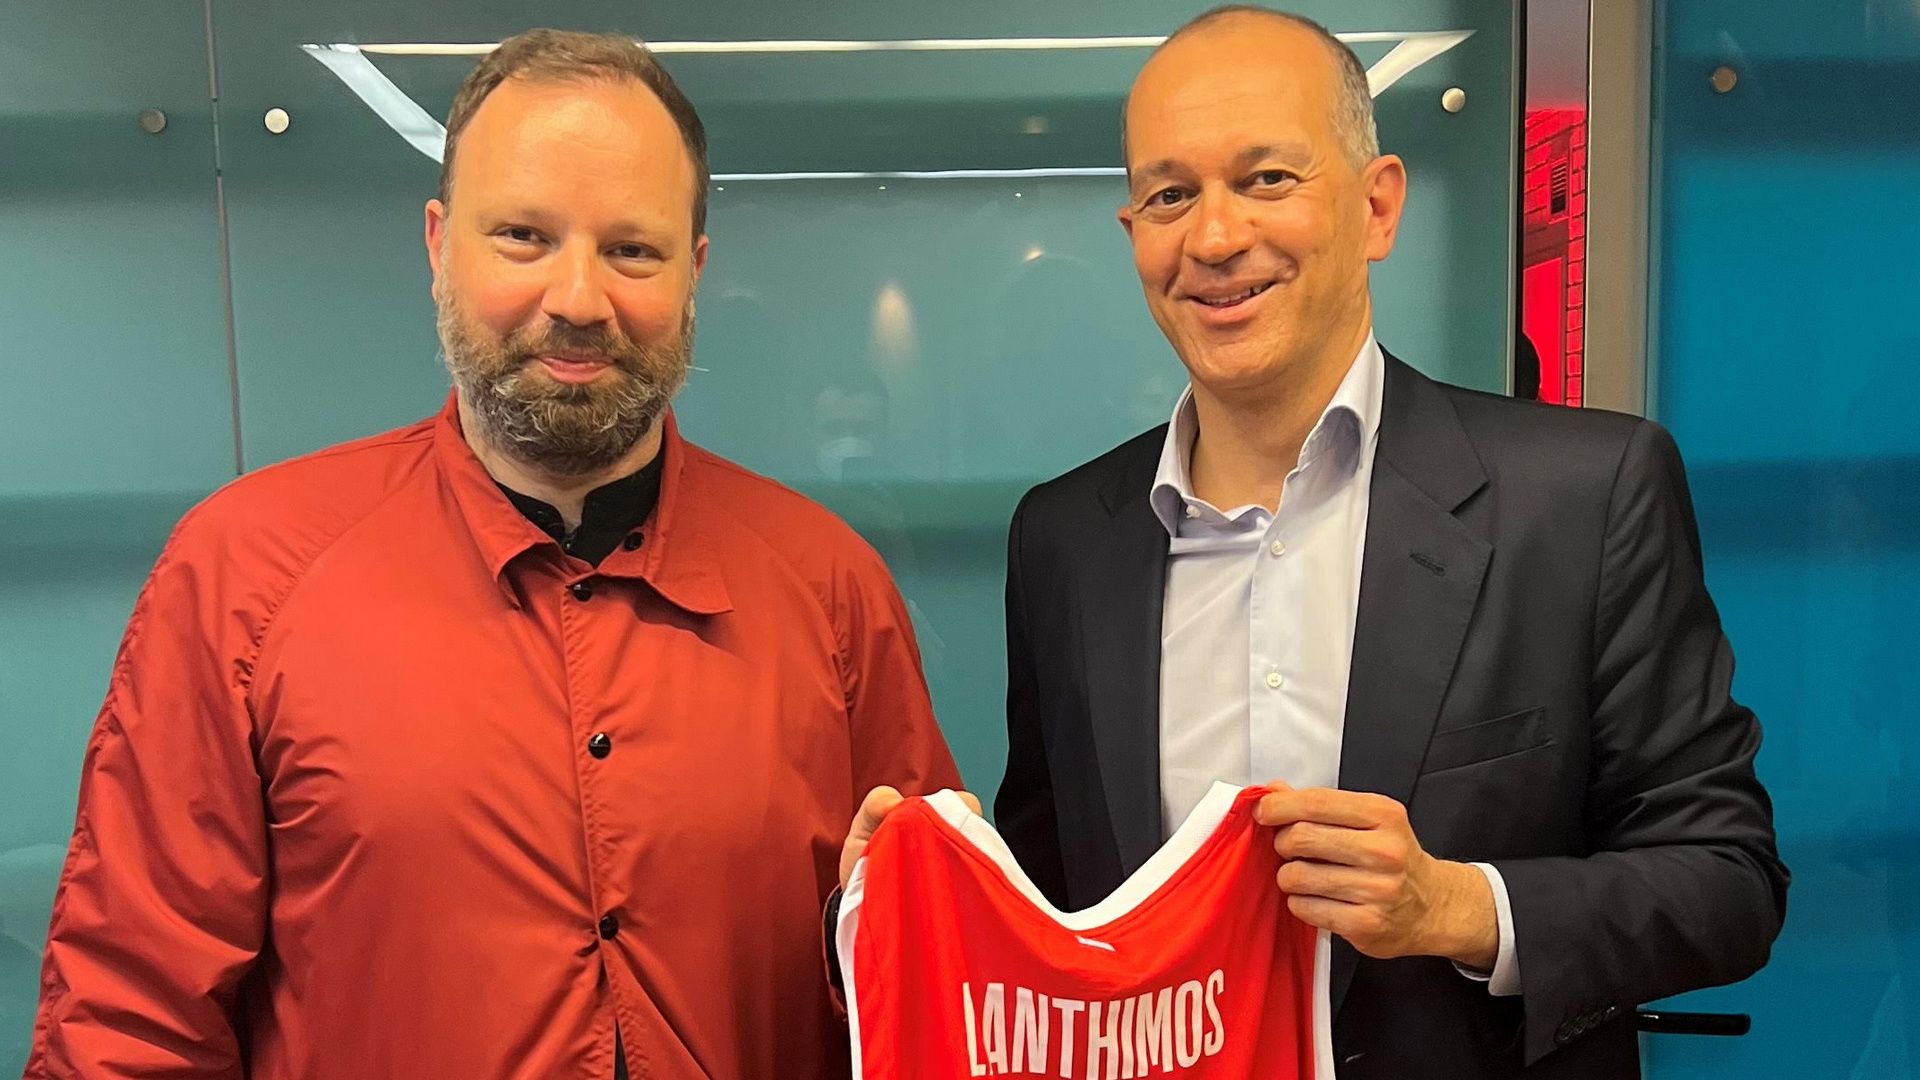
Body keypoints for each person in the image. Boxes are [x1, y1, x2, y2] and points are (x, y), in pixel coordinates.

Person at [25, 29, 958, 1080]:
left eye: (633, 250)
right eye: (523, 236)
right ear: (439, 247)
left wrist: (872, 939)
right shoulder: (243, 576)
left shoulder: (830, 589)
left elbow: (934, 1003)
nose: (579, 299)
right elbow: (130, 1023)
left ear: (694, 271)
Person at [991, 7, 1788, 1077]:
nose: (1214, 238)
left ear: (1377, 207)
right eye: (1170, 194)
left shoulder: (1584, 498)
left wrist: (1460, 906)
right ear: (1133, 229)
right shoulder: (1065, 541)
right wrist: (900, 889)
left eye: (1267, 178)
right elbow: (1052, 902)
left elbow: (1729, 880)